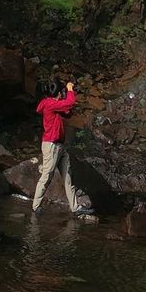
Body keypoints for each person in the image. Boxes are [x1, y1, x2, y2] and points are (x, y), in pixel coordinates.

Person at [31, 77, 93, 218]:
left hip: (59, 145)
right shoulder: (50, 104)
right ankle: (35, 206)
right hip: (52, 145)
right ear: (58, 93)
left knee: (68, 177)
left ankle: (75, 208)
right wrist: (70, 89)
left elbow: (68, 111)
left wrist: (66, 102)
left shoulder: (53, 105)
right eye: (62, 92)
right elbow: (70, 102)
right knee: (47, 176)